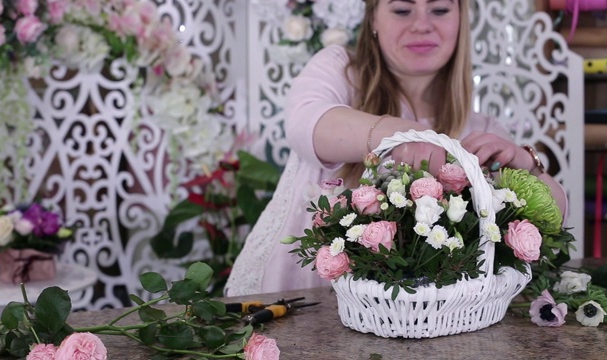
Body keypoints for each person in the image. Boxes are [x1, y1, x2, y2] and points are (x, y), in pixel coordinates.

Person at [224, 0, 568, 296]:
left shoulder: (481, 131)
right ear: (373, 17)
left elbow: (555, 220)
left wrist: (528, 163)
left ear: (461, 18)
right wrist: (408, 137)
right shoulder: (340, 75)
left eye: (440, 9)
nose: (422, 24)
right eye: (402, 9)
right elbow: (306, 125)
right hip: (299, 305)